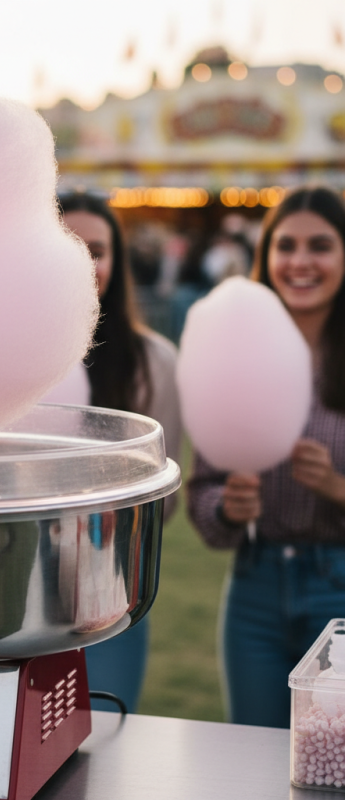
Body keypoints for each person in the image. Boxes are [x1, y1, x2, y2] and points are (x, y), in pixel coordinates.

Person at [187, 185, 345, 728]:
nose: (300, 262)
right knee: (252, 753)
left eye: (320, 246)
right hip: (254, 585)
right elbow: (202, 491)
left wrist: (336, 487)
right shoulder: (233, 351)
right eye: (286, 245)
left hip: (338, 587)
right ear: (266, 254)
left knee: (331, 758)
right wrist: (227, 508)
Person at [56, 191, 182, 713]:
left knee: (104, 730)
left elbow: (165, 498)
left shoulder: (155, 362)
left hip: (108, 590)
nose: (84, 264)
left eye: (98, 251)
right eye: (66, 246)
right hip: (11, 587)